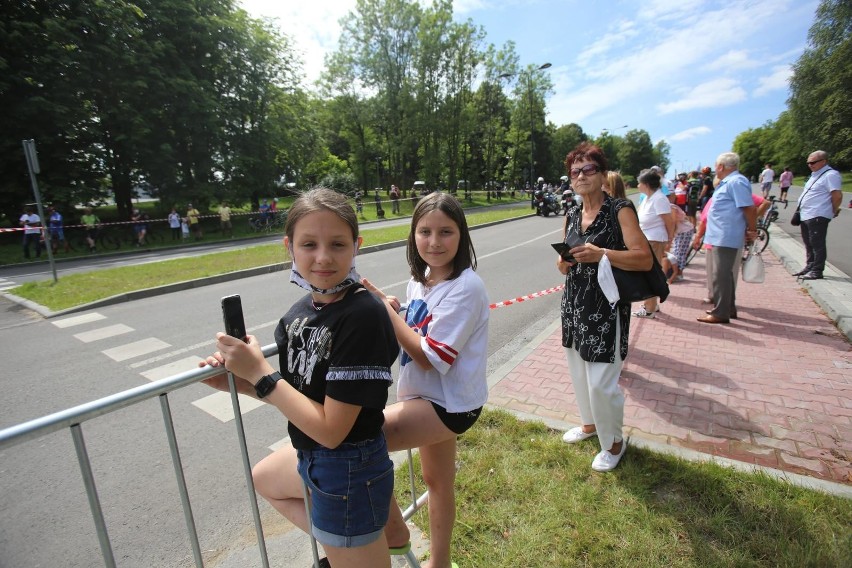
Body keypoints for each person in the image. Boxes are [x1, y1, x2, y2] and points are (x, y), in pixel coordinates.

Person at [199, 188, 398, 568]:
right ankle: (348, 546)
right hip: (313, 460)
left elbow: (332, 430)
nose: (323, 257)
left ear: (356, 246)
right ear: (289, 246)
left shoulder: (362, 316)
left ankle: (356, 547)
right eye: (309, 244)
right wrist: (239, 379)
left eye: (337, 244)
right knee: (265, 478)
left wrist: (259, 371)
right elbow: (293, 395)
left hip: (348, 468)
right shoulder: (297, 315)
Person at [362, 192, 489, 568]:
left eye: (446, 232)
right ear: (413, 236)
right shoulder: (422, 282)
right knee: (437, 483)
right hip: (430, 399)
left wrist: (387, 316)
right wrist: (396, 307)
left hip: (447, 405)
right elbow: (419, 326)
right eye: (425, 231)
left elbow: (431, 356)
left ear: (462, 236)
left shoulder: (466, 287)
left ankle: (395, 534)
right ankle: (440, 563)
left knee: (359, 444)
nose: (434, 242)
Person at [556, 142, 651, 472]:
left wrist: (602, 254)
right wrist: (564, 262)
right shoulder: (571, 212)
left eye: (587, 169)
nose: (580, 176)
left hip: (607, 308)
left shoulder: (620, 209)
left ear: (601, 173)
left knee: (601, 382)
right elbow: (565, 260)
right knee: (579, 373)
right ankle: (590, 425)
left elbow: (643, 258)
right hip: (574, 304)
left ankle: (614, 442)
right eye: (574, 171)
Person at [698, 152, 757, 324]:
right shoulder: (729, 182)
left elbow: (749, 208)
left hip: (726, 235)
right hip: (720, 235)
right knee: (725, 275)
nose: (715, 169)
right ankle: (728, 308)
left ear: (721, 166)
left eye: (716, 165)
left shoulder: (736, 182)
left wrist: (752, 230)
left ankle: (720, 313)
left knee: (720, 275)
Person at [793, 150, 842, 281]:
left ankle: (817, 270)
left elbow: (837, 195)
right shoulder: (815, 174)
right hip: (806, 214)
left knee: (817, 243)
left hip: (818, 214)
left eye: (813, 162)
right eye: (808, 162)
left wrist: (833, 210)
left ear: (824, 161)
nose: (810, 165)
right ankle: (810, 266)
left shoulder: (830, 175)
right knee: (808, 242)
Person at [632, 168, 674, 319]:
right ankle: (651, 305)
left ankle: (649, 308)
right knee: (647, 273)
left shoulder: (659, 199)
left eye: (639, 183)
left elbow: (669, 221)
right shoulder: (649, 198)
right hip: (648, 240)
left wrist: (670, 240)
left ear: (646, 184)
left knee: (650, 274)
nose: (637, 186)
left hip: (655, 241)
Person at [663, 202, 695, 284]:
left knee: (679, 252)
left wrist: (670, 238)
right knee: (677, 252)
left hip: (684, 231)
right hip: (681, 231)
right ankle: (676, 273)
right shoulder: (665, 207)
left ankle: (678, 274)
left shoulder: (671, 207)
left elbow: (673, 222)